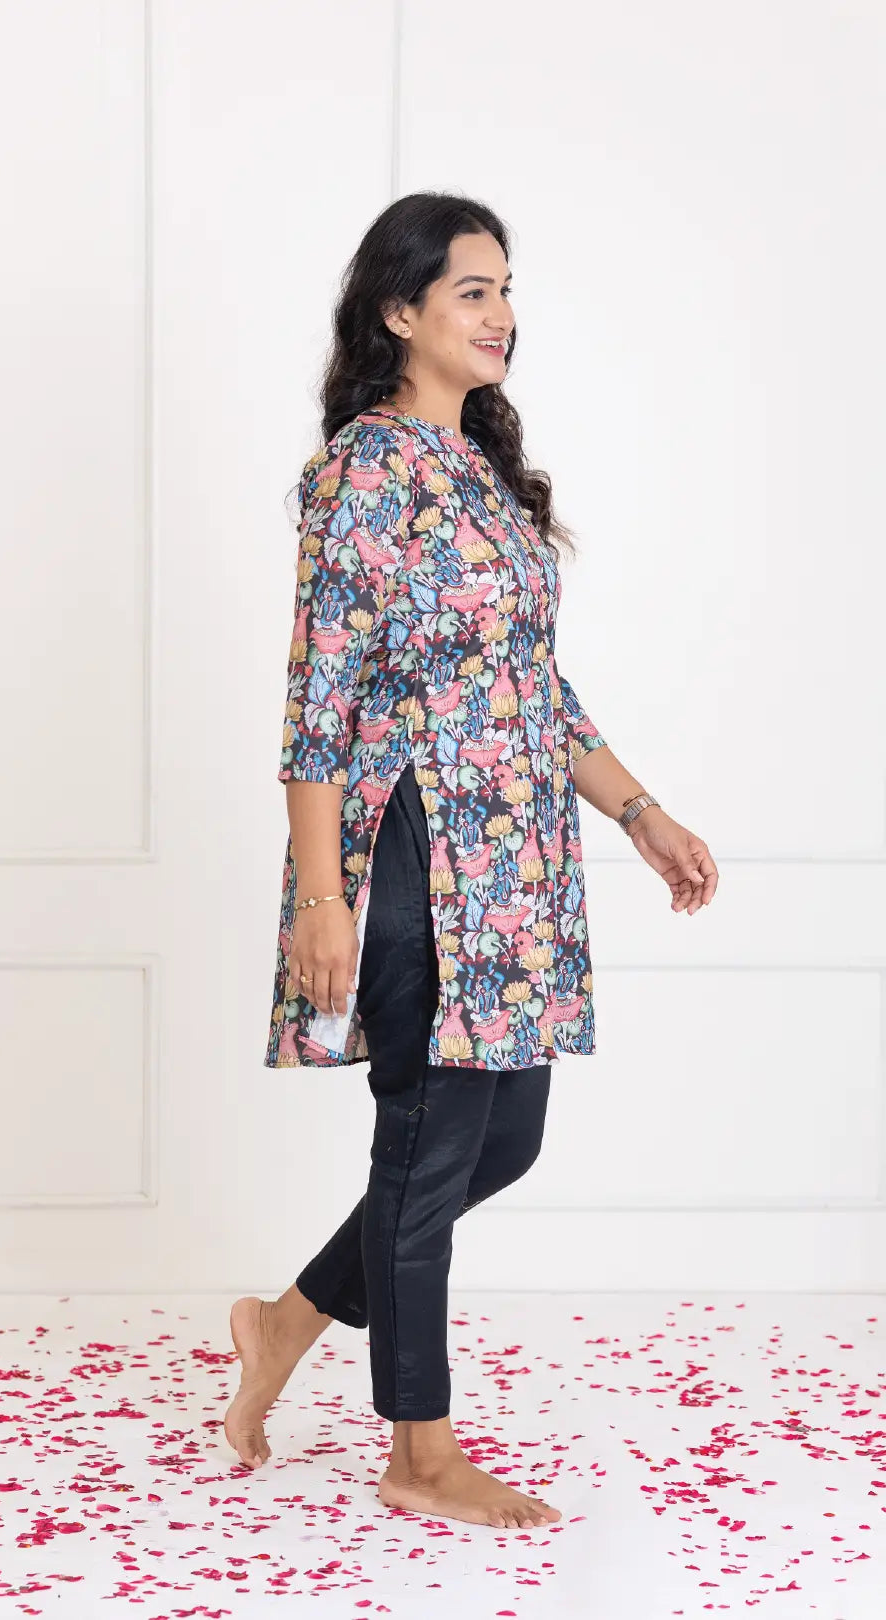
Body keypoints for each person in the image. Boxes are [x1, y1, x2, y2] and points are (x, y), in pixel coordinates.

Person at [224, 192, 718, 1530]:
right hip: (417, 847)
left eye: (507, 290)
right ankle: (419, 1450)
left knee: (503, 1138)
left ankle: (284, 1323)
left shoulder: (482, 469)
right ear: (400, 311)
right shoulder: (365, 472)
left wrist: (641, 814)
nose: (502, 316)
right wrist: (321, 893)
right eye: (473, 291)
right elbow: (319, 699)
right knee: (431, 1142)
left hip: (518, 865)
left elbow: (530, 686)